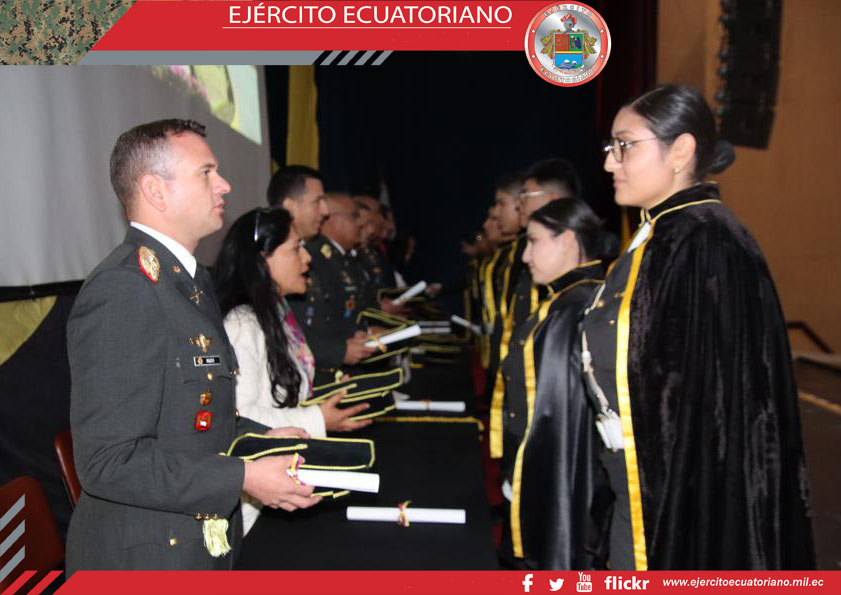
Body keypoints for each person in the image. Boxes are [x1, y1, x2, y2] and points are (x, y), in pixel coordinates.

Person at [66, 119, 319, 572]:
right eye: (206, 173)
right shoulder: (125, 289)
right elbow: (108, 461)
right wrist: (244, 475)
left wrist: (258, 438)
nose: (224, 185)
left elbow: (191, 417)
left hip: (193, 543)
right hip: (146, 558)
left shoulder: (189, 280)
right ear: (156, 191)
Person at [583, 85, 814, 569]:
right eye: (610, 146)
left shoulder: (708, 242)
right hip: (634, 492)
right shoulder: (657, 236)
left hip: (679, 507)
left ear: (681, 151)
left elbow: (727, 419)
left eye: (625, 145)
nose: (609, 162)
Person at [214, 207, 371, 534]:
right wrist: (318, 418)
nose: (307, 258)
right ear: (263, 259)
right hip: (256, 505)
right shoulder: (241, 324)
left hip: (283, 482)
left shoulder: (277, 312)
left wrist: (329, 401)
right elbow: (239, 417)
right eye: (296, 249)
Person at [498, 199, 605, 570]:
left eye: (533, 241)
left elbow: (553, 419)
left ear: (568, 240)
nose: (525, 255)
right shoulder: (564, 301)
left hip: (552, 475)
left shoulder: (571, 309)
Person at [289, 193, 377, 377]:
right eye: (294, 250)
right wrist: (339, 350)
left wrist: (358, 332)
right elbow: (297, 333)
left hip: (332, 367)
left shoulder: (338, 257)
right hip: (316, 372)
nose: (323, 211)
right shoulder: (318, 257)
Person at [266, 165, 328, 240]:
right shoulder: (267, 247)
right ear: (289, 206)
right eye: (317, 201)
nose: (325, 211)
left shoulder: (320, 244)